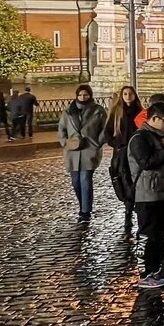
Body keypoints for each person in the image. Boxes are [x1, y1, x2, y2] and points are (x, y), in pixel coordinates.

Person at [127, 102, 164, 289]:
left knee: (160, 233)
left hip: (163, 191)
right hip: (147, 194)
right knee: (147, 234)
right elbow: (147, 162)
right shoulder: (139, 138)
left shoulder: (160, 136)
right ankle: (145, 273)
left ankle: (157, 267)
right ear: (153, 118)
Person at [57, 84, 108, 223]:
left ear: (90, 95)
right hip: (72, 151)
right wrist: (65, 143)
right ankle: (83, 205)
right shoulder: (68, 111)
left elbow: (105, 129)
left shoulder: (98, 110)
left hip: (89, 150)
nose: (83, 97)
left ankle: (85, 211)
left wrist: (98, 142)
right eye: (80, 95)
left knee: (85, 179)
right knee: (75, 182)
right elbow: (61, 129)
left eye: (85, 95)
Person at [105, 86, 143, 236]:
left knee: (137, 180)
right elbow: (107, 132)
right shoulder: (116, 111)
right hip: (121, 152)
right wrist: (117, 143)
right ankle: (128, 212)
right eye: (125, 94)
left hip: (136, 152)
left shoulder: (140, 111)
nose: (128, 96)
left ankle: (137, 210)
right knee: (124, 179)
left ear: (134, 95)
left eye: (130, 94)